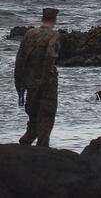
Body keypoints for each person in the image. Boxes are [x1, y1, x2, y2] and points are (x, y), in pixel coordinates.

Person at [14, 8, 61, 147]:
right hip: (47, 82)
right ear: (54, 20)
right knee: (47, 114)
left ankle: (26, 141)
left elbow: (20, 59)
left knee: (33, 114)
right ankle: (43, 146)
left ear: (42, 18)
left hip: (30, 81)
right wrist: (45, 78)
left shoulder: (30, 34)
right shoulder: (54, 36)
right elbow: (50, 57)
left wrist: (19, 84)